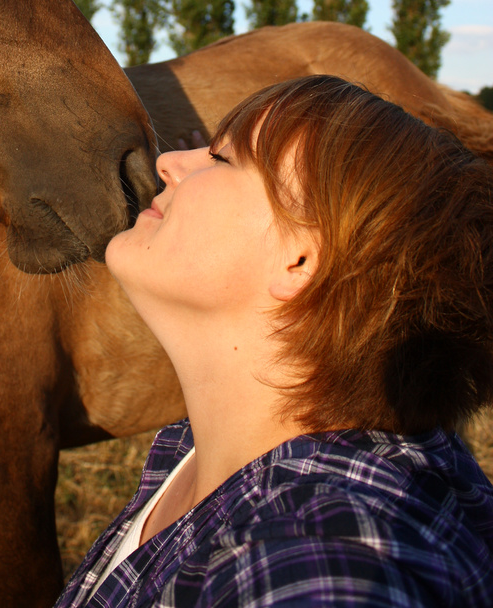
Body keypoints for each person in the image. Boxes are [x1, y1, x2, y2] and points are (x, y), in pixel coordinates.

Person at [56, 75, 493, 607]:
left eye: (222, 159)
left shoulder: (317, 555)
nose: (169, 163)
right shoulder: (200, 453)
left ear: (301, 260)